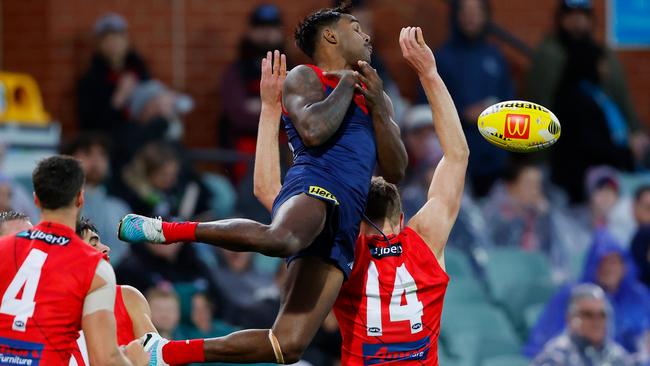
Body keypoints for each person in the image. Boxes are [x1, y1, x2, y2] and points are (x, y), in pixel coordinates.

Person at [142, 25, 467, 366]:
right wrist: (428, 73)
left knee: (285, 338)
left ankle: (167, 338)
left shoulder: (343, 241)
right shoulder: (424, 242)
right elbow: (457, 155)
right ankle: (167, 329)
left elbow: (266, 190)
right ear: (402, 219)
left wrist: (270, 110)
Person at [0, 156, 147, 365]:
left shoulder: (3, 248)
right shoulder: (94, 266)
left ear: (36, 200)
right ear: (80, 199)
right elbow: (103, 358)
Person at [422, 0, 513, 197]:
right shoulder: (442, 57)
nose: (471, 17)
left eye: (477, 11)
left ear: (485, 15)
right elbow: (427, 105)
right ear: (457, 15)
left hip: (495, 157)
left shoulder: (495, 55)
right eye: (465, 11)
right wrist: (463, 114)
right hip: (457, 156)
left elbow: (509, 99)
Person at [525, 229, 650, 358]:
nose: (609, 268)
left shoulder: (640, 296)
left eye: (614, 262)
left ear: (624, 266)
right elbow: (545, 342)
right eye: (603, 262)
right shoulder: (572, 295)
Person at [219, 4, 287, 184]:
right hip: (248, 152)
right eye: (261, 28)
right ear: (250, 31)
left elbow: (301, 114)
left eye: (272, 27)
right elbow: (238, 116)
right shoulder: (237, 71)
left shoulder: (293, 68)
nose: (267, 33)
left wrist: (261, 105)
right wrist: (277, 107)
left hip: (287, 151)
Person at [61, 133, 132, 264]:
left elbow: (124, 256)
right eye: (87, 153)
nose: (96, 160)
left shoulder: (119, 208)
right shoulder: (57, 204)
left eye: (102, 155)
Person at [77, 13, 150, 133]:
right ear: (99, 44)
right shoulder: (90, 81)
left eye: (118, 38)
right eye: (108, 40)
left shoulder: (140, 70)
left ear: (126, 40)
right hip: (112, 139)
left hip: (144, 134)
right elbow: (88, 124)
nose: (114, 44)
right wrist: (119, 98)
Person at [531, 284, 634, 366]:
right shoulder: (556, 357)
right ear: (570, 318)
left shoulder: (616, 355)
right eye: (588, 315)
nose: (597, 321)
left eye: (602, 315)